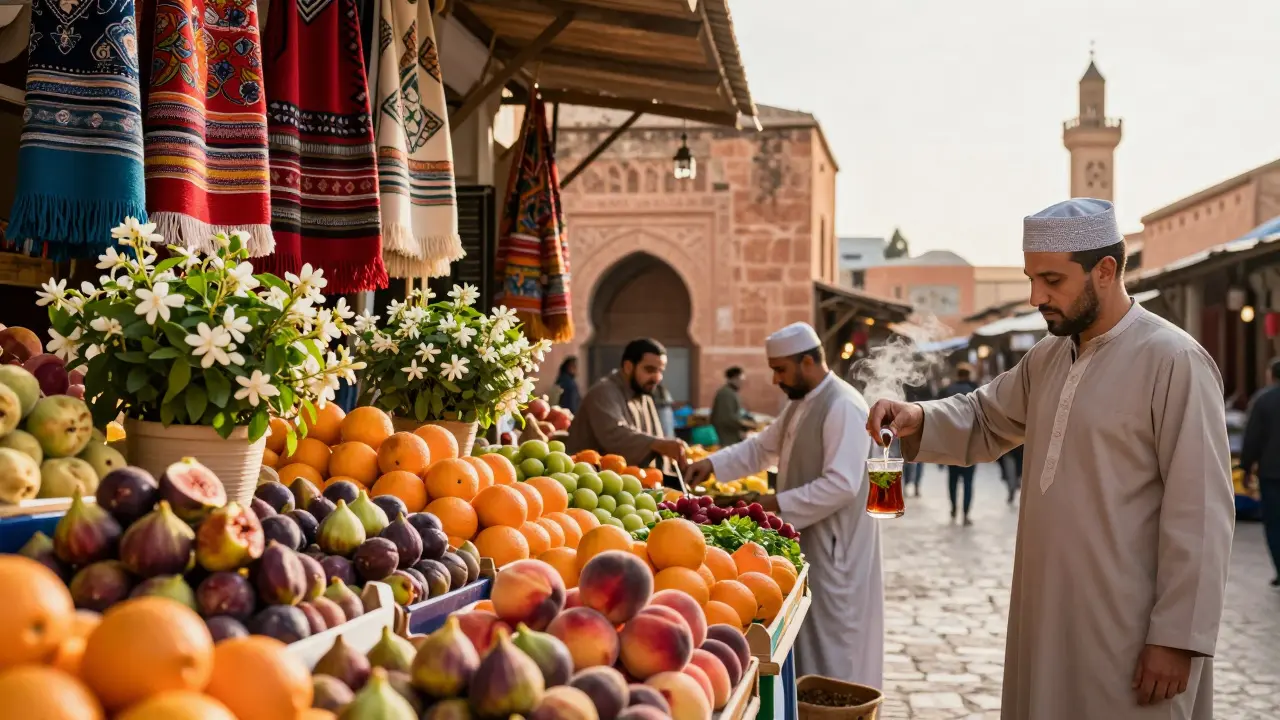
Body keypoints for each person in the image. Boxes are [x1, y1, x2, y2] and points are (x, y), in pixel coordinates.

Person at [866, 198, 1234, 720]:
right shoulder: (1049, 356)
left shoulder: (1174, 361)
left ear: (1105, 271)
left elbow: (1201, 513)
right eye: (1030, 278)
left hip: (1128, 632)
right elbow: (986, 417)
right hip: (1047, 619)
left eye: (1052, 280)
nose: (1036, 295)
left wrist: (1176, 638)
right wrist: (918, 417)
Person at [686, 322, 882, 687]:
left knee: (837, 648)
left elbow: (842, 485)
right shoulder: (801, 404)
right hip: (812, 543)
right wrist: (712, 465)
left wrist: (771, 501)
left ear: (808, 362)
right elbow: (761, 448)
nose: (775, 380)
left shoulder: (843, 405)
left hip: (838, 550)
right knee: (809, 642)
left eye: (780, 370)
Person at [565, 338, 687, 473]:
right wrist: (658, 444)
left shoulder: (643, 394)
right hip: (590, 482)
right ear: (628, 367)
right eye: (650, 370)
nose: (657, 378)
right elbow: (614, 436)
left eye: (660, 371)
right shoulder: (603, 392)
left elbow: (655, 438)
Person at [1240, 358, 1280, 587]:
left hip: (1272, 472)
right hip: (1271, 471)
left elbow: (1253, 437)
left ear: (1271, 375)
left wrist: (1246, 467)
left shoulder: (1263, 400)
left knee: (1275, 523)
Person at [939, 364, 979, 524]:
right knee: (968, 481)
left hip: (952, 442)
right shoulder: (976, 391)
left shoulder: (947, 391)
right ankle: (966, 513)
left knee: (952, 479)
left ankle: (953, 508)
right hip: (971, 443)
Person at [901, 381, 933, 496]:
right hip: (921, 424)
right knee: (919, 458)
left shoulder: (905, 383)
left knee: (906, 457)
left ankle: (907, 484)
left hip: (906, 424)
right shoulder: (925, 385)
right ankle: (916, 485)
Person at [710, 366, 751, 446]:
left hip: (731, 434)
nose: (742, 383)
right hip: (727, 436)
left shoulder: (731, 392)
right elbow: (728, 418)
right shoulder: (726, 394)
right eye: (740, 380)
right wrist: (746, 425)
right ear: (734, 378)